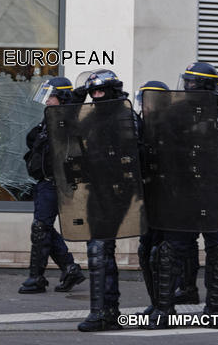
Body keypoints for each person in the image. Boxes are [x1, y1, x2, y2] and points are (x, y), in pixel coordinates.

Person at [148, 62, 218, 329]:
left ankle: (214, 310)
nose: (187, 87)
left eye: (191, 83)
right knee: (170, 250)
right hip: (183, 190)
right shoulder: (174, 112)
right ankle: (164, 310)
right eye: (186, 81)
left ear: (204, 86)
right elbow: (158, 149)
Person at [76, 69, 140, 332]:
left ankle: (102, 312)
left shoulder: (124, 116)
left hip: (115, 190)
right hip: (96, 189)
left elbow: (131, 153)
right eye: (93, 92)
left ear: (112, 90)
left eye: (101, 90)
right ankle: (108, 311)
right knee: (100, 249)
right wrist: (77, 99)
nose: (96, 95)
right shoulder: (93, 116)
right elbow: (71, 132)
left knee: (100, 248)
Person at [19, 76, 85, 294]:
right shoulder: (50, 117)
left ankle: (36, 277)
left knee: (40, 227)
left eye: (51, 96)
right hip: (45, 181)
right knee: (43, 227)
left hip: (57, 182)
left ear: (62, 98)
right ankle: (69, 268)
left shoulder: (68, 118)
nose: (46, 100)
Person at [133, 80, 168, 316]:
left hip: (168, 199)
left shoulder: (173, 127)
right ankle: (155, 302)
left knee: (161, 253)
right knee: (145, 251)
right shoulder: (139, 128)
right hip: (146, 198)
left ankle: (164, 306)